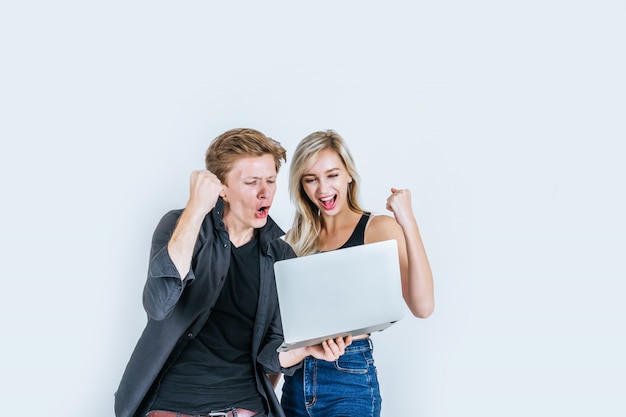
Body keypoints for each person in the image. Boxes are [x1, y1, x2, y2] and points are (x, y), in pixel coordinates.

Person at [114, 128, 351, 417]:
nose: (265, 192)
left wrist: (305, 349)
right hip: (173, 403)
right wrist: (196, 209)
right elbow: (158, 305)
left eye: (271, 181)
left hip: (243, 406)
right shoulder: (180, 225)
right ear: (221, 188)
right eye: (251, 182)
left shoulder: (281, 256)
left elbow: (268, 355)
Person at [280, 129, 435, 417]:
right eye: (311, 179)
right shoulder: (293, 242)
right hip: (295, 382)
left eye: (332, 175)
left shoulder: (378, 229)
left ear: (349, 174)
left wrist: (408, 222)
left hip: (348, 377)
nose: (323, 189)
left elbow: (423, 307)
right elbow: (279, 332)